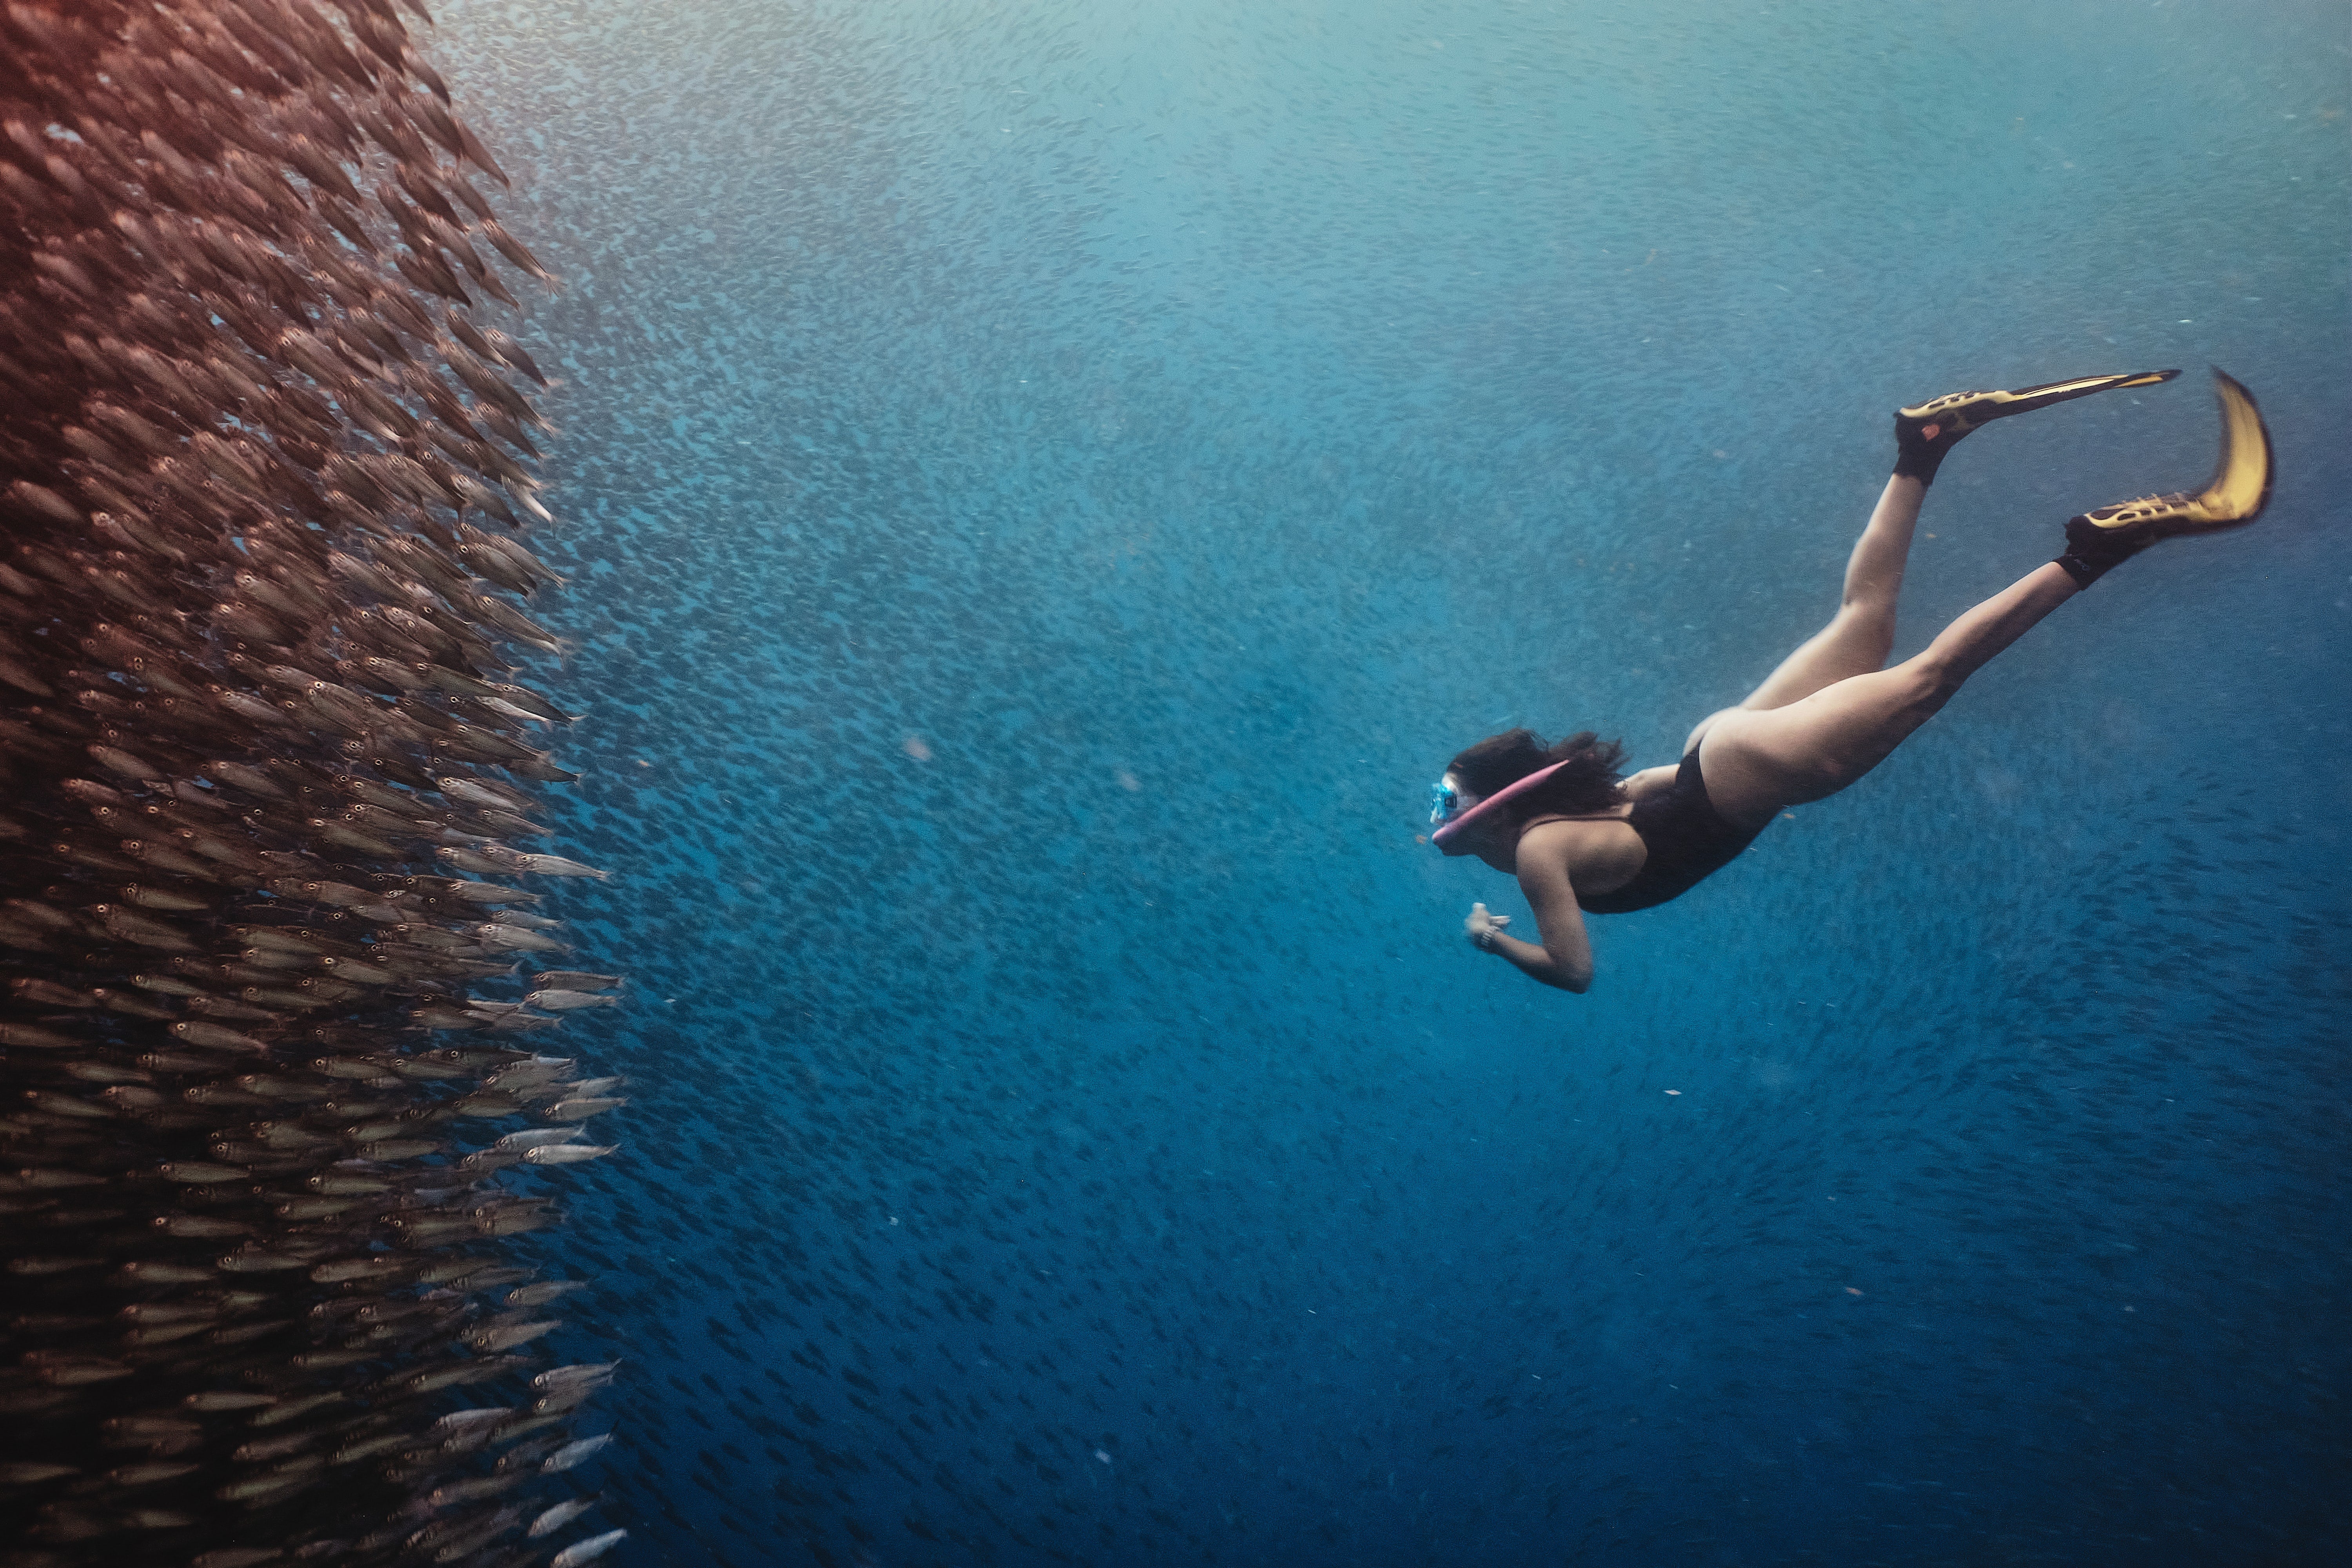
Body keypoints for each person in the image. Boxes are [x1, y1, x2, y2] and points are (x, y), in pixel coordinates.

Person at [1428, 368, 2274, 993]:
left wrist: (1491, 939)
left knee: (1932, 678)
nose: (1437, 813)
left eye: (1447, 800)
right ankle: (1924, 445)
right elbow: (1645, 789)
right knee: (1864, 622)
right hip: (1714, 753)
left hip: (1743, 776)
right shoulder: (1560, 824)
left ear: (1494, 807)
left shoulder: (1536, 854)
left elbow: (1574, 972)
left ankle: (2098, 547)